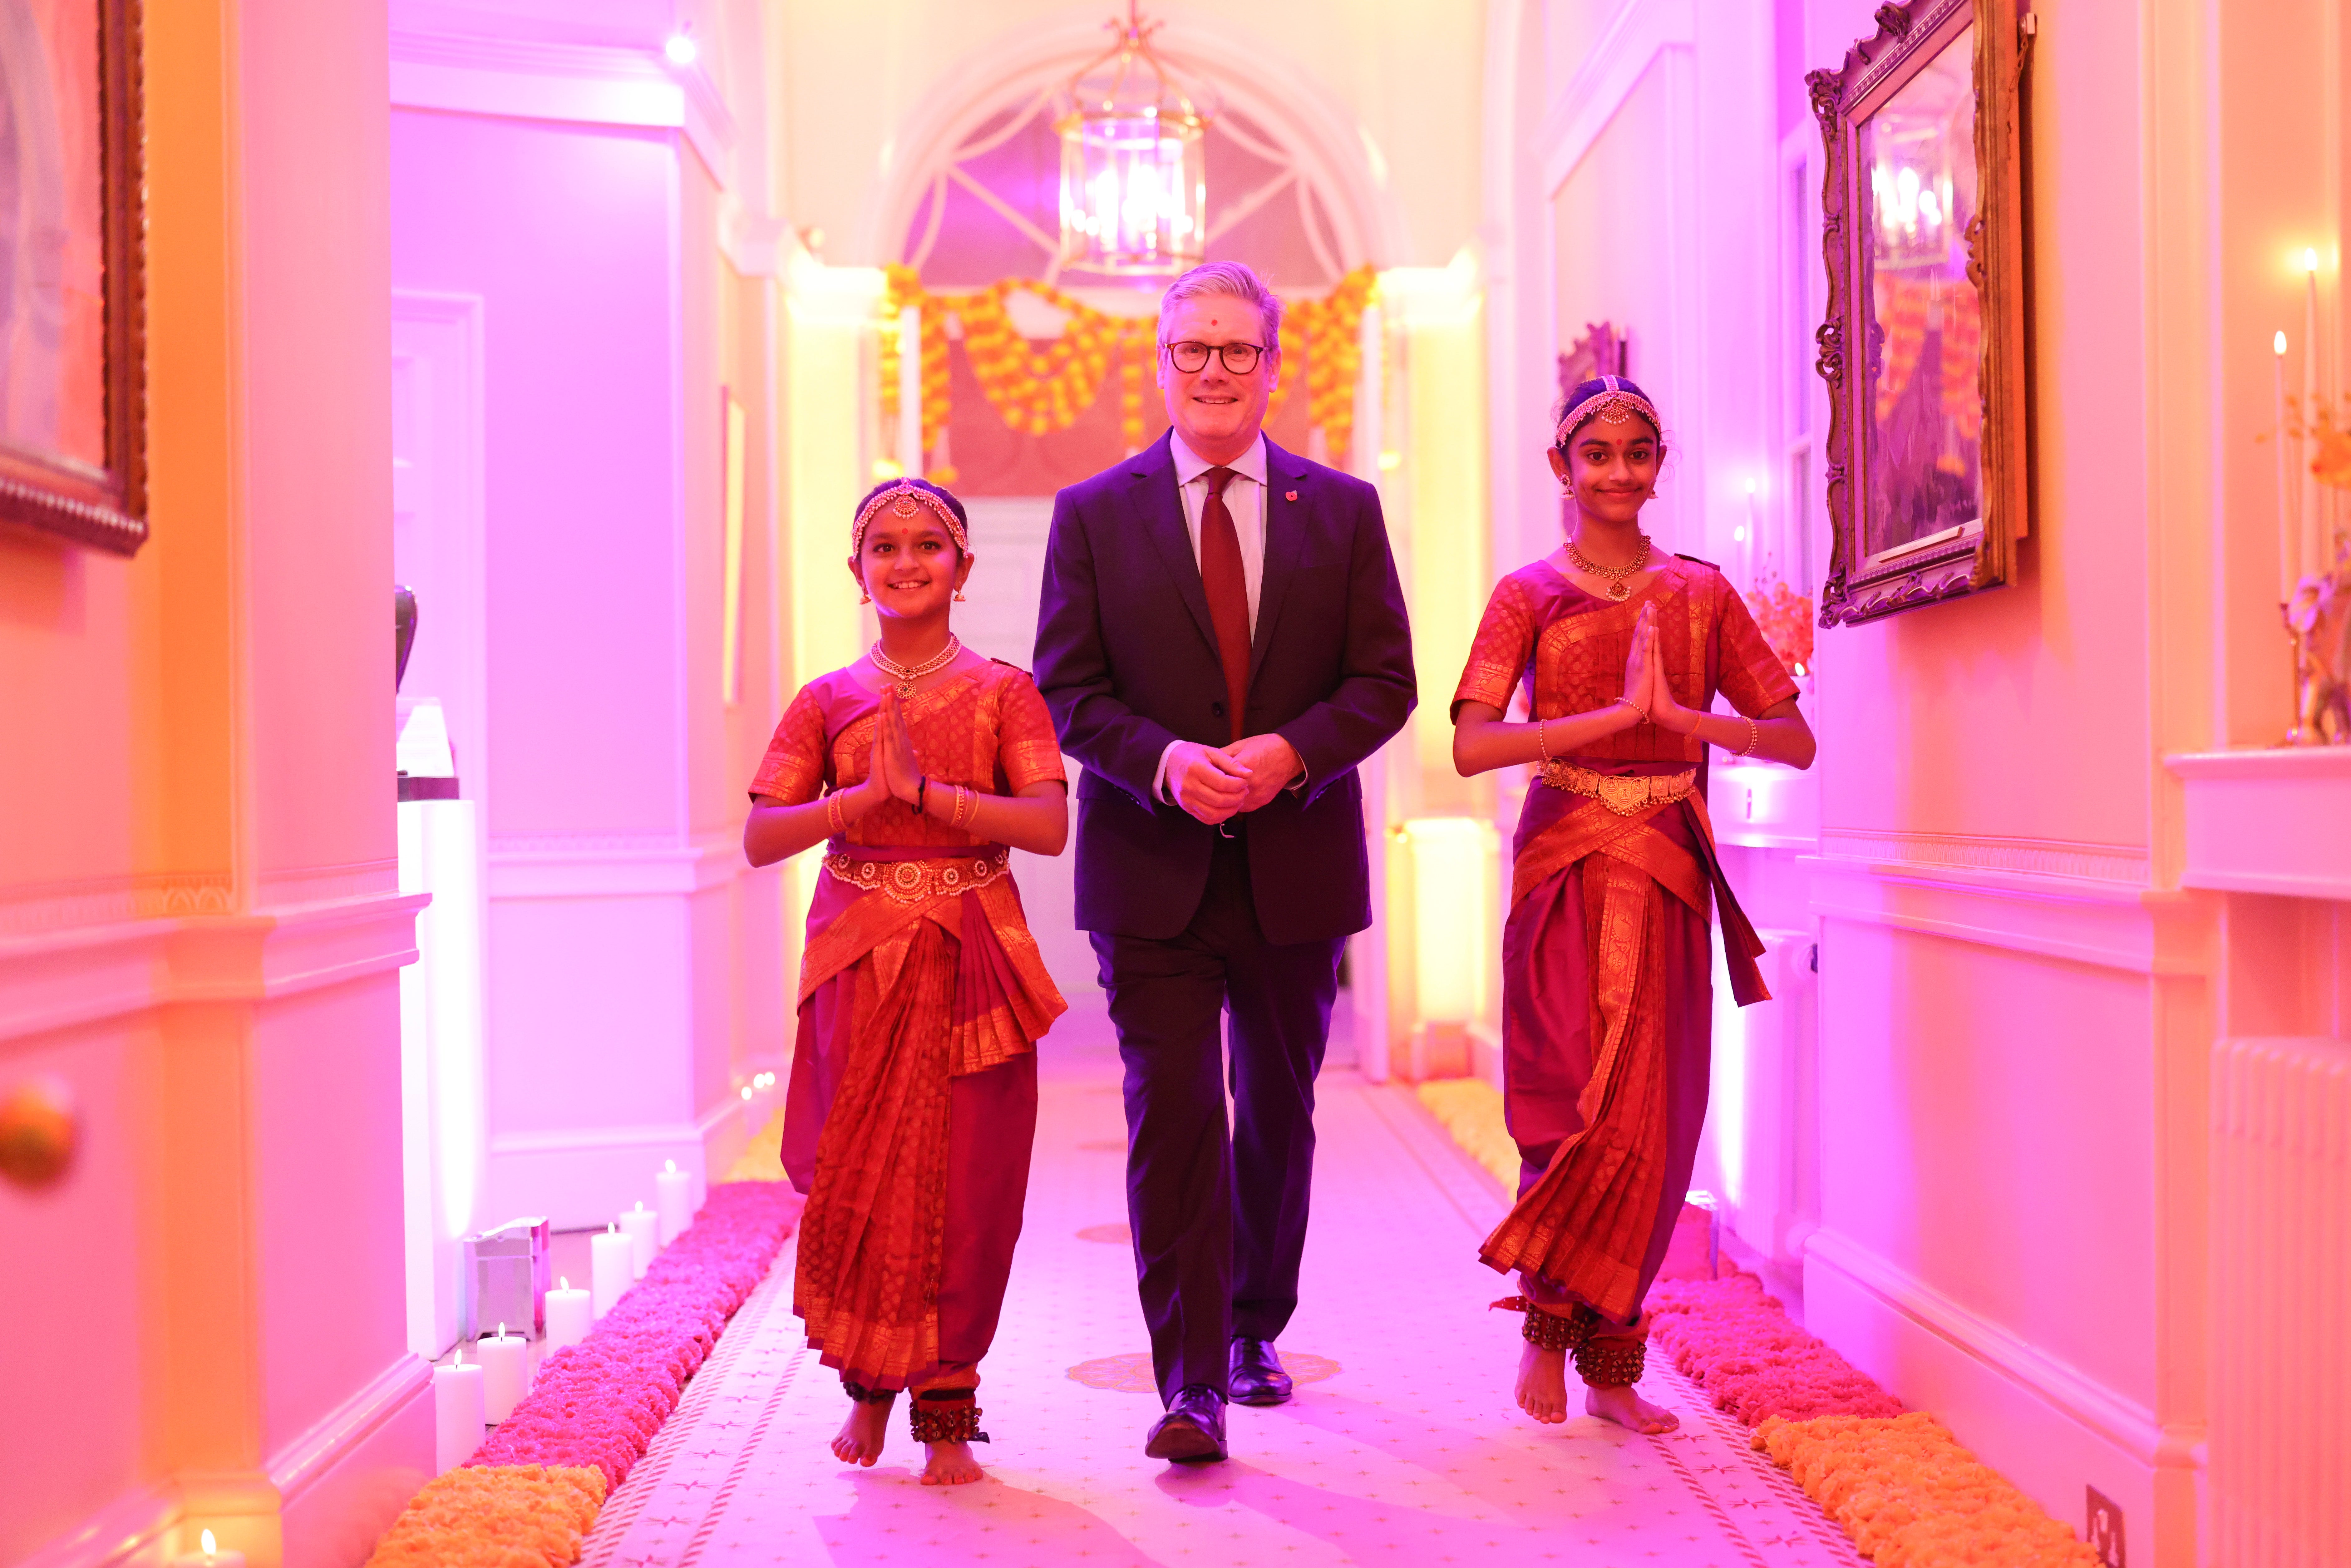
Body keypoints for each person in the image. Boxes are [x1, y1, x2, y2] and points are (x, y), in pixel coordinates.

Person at [1034, 260, 1416, 1463]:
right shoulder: (1092, 514)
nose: (1212, 371)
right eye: (1191, 350)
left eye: (1235, 351)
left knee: (1278, 1114)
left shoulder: (1341, 510)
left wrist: (1290, 752)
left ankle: (1256, 1331)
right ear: (1161, 362)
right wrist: (1163, 763)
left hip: (1295, 868)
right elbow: (1069, 694)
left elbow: (1385, 684)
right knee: (1178, 1115)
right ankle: (1189, 1383)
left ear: (1271, 365)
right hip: (1150, 872)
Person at [1449, 376, 1815, 1435]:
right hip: (1562, 860)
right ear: (1559, 469)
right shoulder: (1525, 593)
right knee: (1564, 1093)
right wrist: (1608, 717)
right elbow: (1473, 745)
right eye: (1595, 454)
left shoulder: (1700, 594)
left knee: (1653, 1118)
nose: (1617, 472)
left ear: (1661, 464)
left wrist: (1682, 722)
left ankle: (1614, 1361)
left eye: (1637, 453)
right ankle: (1546, 1324)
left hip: (1662, 864)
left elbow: (1792, 737)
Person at [743, 477, 1070, 1486]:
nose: (905, 563)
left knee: (970, 1182)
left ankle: (946, 1404)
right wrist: (857, 801)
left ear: (963, 571)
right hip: (859, 962)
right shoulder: (825, 701)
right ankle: (868, 1390)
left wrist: (927, 795)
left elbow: (1048, 828)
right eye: (883, 547)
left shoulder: (1006, 693)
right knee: (863, 1177)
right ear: (856, 572)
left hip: (973, 958)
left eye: (928, 546)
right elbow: (762, 838)